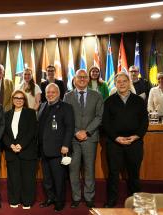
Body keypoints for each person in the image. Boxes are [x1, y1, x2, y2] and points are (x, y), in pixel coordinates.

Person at [103, 72, 149, 208]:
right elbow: (105, 123)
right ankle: (111, 201)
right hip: (114, 143)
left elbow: (144, 122)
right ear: (115, 84)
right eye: (119, 82)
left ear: (129, 83)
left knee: (134, 174)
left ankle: (136, 203)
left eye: (124, 81)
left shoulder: (139, 101)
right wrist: (116, 138)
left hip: (134, 143)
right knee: (113, 174)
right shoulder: (109, 101)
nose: (121, 84)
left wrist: (136, 136)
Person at [63, 69, 104, 209]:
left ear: (88, 79)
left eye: (84, 77)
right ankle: (76, 198)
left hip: (90, 138)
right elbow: (66, 118)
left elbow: (99, 116)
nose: (82, 79)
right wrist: (75, 132)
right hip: (73, 139)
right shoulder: (67, 96)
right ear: (74, 79)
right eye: (79, 77)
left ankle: (89, 197)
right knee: (73, 169)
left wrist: (86, 132)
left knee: (89, 169)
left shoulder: (97, 95)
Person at [38, 83, 75, 212]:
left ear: (58, 93)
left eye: (53, 92)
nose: (50, 94)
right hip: (43, 149)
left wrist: (66, 145)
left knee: (58, 178)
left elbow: (70, 128)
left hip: (58, 149)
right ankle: (50, 198)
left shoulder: (66, 107)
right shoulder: (43, 106)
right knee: (47, 178)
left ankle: (60, 201)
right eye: (48, 92)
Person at [3, 90, 38, 209]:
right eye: (16, 98)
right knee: (13, 178)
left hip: (27, 151)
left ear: (24, 100)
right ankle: (14, 200)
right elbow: (4, 133)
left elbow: (32, 131)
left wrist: (21, 145)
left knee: (28, 178)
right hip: (11, 151)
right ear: (12, 100)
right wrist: (11, 145)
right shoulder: (6, 114)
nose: (18, 100)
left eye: (21, 98)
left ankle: (27, 201)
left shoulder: (31, 113)